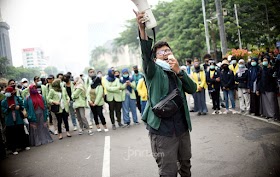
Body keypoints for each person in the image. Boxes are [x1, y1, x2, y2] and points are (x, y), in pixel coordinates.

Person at [135, 10, 197, 177]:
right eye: (161, 51)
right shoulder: (153, 72)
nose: (166, 53)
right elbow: (145, 57)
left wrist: (179, 72)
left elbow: (192, 88)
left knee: (186, 166)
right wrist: (142, 29)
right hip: (163, 131)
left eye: (168, 50)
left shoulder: (177, 71)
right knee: (168, 172)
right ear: (155, 58)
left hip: (182, 128)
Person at [1, 86, 30, 155]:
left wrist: (19, 107)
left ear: (13, 92)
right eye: (6, 92)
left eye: (9, 92)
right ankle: (13, 149)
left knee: (21, 132)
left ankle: (24, 145)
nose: (7, 93)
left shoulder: (17, 98)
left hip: (18, 118)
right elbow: (3, 110)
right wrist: (9, 108)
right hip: (9, 120)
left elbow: (22, 106)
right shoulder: (4, 101)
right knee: (11, 134)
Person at [258, 56, 280, 120]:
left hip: (270, 88)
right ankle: (268, 115)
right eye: (263, 60)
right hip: (263, 88)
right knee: (266, 103)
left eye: (266, 60)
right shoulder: (262, 69)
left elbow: (273, 78)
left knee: (272, 103)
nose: (264, 62)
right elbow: (260, 78)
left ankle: (274, 115)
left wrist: (270, 69)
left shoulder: (271, 69)